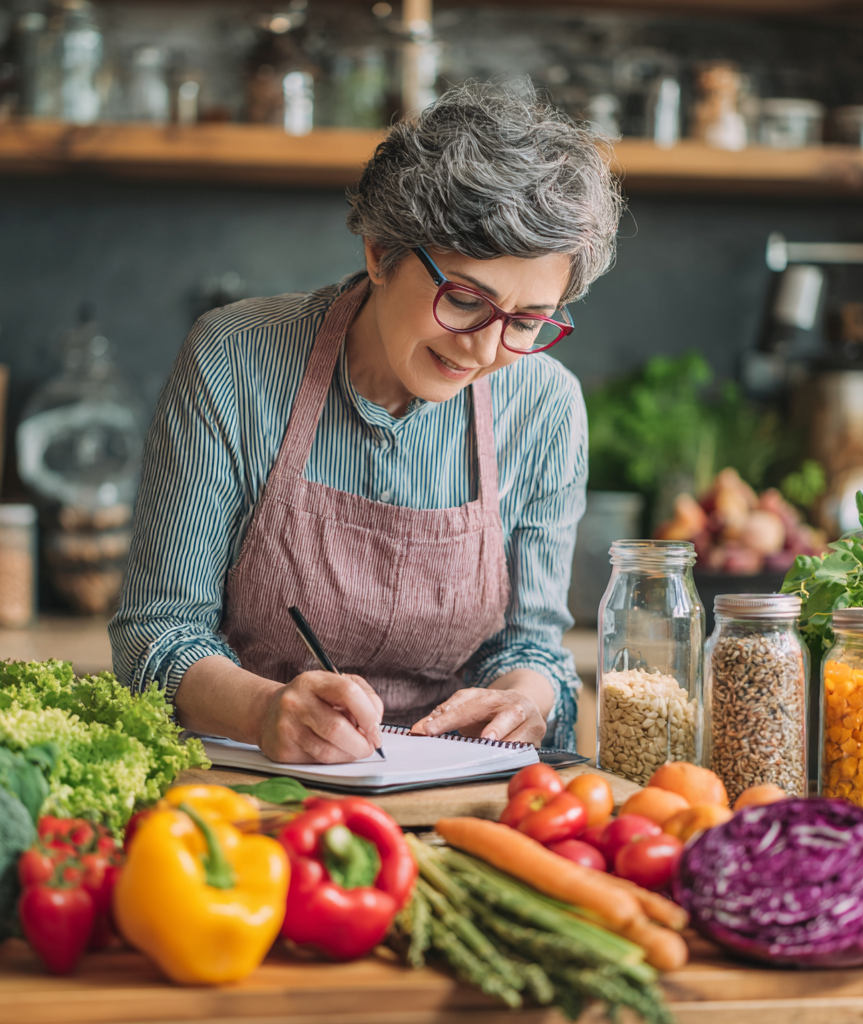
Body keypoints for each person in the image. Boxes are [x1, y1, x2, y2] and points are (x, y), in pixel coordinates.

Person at [109, 81, 622, 763]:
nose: (483, 348)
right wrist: (268, 710)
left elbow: (531, 645)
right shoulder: (234, 358)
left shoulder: (546, 407)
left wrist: (524, 700)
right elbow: (157, 633)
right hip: (250, 780)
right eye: (465, 299)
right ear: (380, 252)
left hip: (453, 791)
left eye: (527, 322)